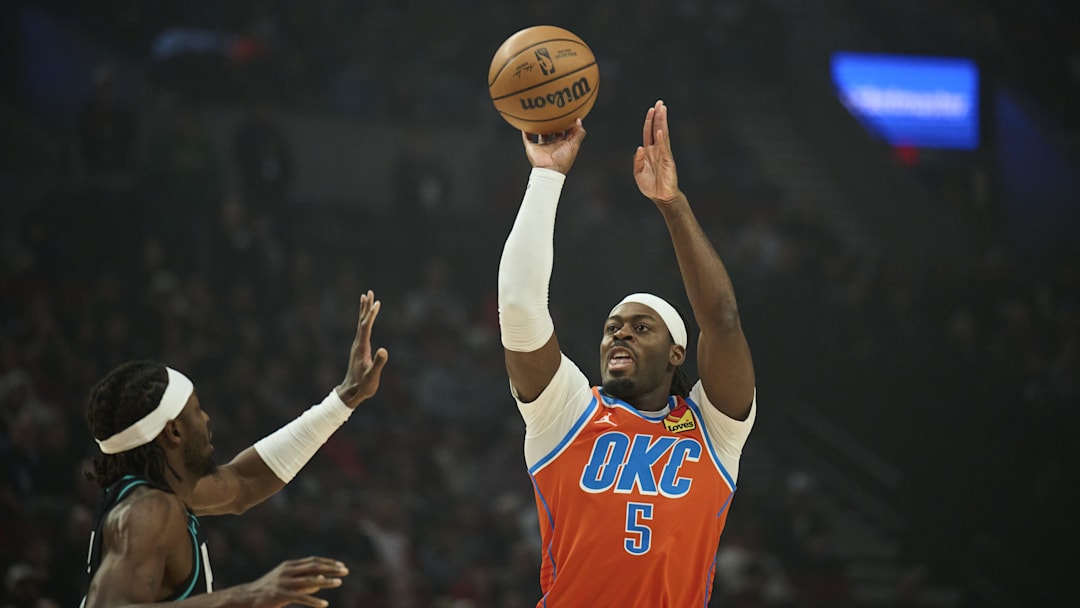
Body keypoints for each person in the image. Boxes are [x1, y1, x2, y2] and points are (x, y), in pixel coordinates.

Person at [497, 100, 757, 606]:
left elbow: (722, 321)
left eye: (641, 328)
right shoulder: (567, 411)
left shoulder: (714, 430)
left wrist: (672, 203)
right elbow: (519, 307)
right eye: (612, 328)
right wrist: (546, 177)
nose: (620, 335)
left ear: (677, 353)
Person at [81, 291, 389, 607]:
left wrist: (345, 398)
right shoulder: (148, 511)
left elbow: (245, 483)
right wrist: (248, 595)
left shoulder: (162, 494)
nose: (206, 418)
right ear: (173, 431)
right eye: (196, 409)